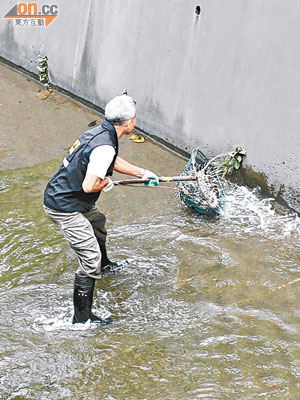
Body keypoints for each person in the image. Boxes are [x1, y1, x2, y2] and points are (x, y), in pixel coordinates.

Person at [43, 94, 159, 325]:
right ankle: (81, 319)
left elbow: (111, 160)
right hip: (64, 207)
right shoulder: (104, 144)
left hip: (72, 200)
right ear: (129, 123)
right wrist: (106, 183)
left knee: (97, 222)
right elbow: (89, 185)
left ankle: (104, 266)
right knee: (89, 258)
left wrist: (142, 173)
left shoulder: (100, 134)